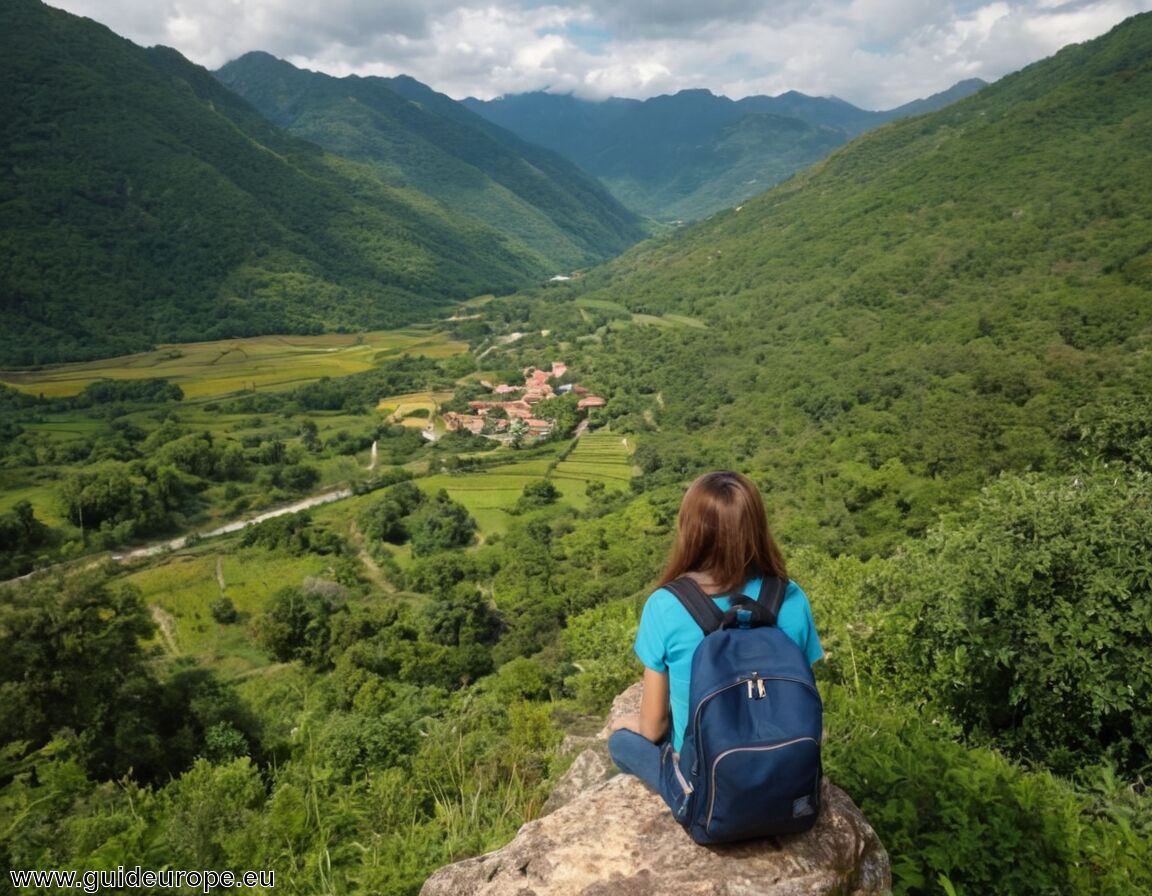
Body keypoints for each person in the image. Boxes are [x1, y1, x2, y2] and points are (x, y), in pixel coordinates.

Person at [608, 470, 823, 809]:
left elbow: (653, 728)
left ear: (690, 531)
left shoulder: (665, 605)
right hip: (786, 774)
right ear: (757, 528)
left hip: (708, 787)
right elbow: (800, 696)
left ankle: (685, 793)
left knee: (620, 742)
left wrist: (625, 721)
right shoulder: (790, 596)